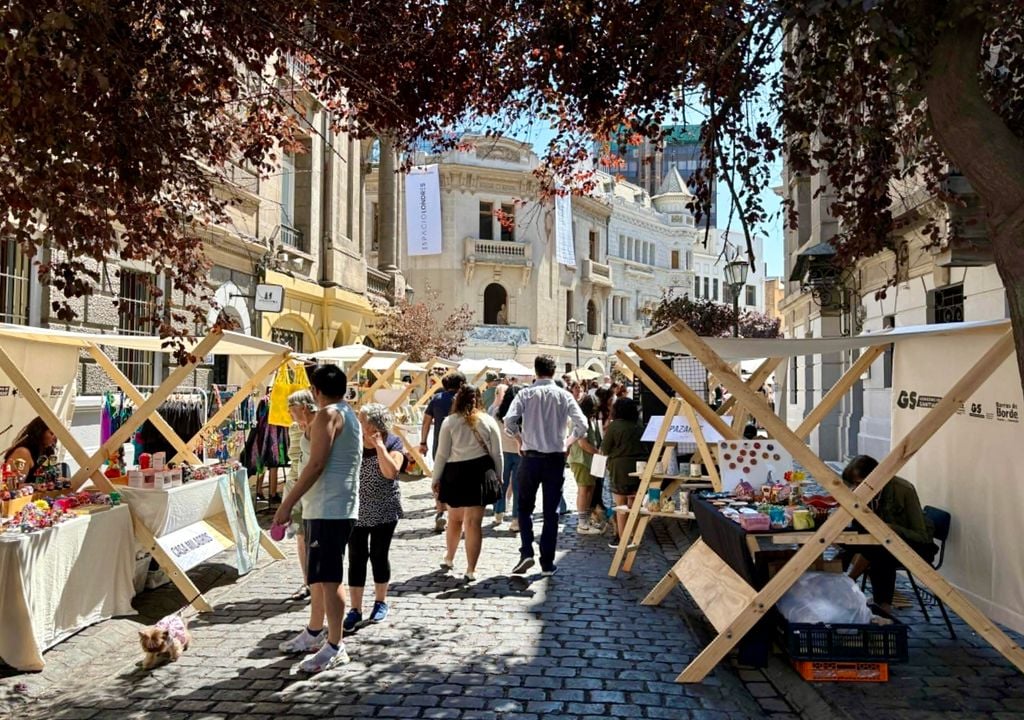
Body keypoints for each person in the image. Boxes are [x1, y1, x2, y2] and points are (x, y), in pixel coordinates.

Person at [274, 365, 361, 674]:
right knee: (319, 577)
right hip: (328, 506)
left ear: (315, 391)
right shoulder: (347, 412)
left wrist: (288, 503)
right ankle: (314, 631)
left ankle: (335, 645)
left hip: (329, 507)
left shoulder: (328, 414)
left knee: (329, 578)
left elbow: (316, 464)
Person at [504, 354, 588, 576]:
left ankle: (526, 551)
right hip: (555, 459)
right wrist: (567, 442)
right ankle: (547, 563)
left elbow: (509, 421)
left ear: (536, 370)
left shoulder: (525, 394)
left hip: (530, 457)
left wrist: (520, 440)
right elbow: (582, 425)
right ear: (554, 371)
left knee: (525, 508)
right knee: (551, 511)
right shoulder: (564, 395)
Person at [841, 455, 937, 616]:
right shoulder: (862, 493)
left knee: (880, 553)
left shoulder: (902, 490)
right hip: (882, 543)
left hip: (915, 545)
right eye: (854, 484)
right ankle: (839, 584)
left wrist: (891, 528)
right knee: (848, 541)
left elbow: (922, 536)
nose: (856, 489)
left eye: (860, 484)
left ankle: (881, 604)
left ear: (874, 478)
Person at [345, 403, 407, 630]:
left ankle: (380, 602)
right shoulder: (352, 442)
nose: (357, 423)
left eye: (361, 420)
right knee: (356, 557)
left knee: (379, 555)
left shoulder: (392, 442)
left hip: (384, 508)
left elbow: (391, 472)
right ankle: (355, 609)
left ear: (373, 425)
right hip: (356, 509)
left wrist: (379, 446)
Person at [432, 386, 504, 581]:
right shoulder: (488, 420)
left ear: (457, 399)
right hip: (481, 473)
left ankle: (449, 557)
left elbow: (442, 454)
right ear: (479, 399)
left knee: (454, 520)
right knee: (473, 523)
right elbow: (497, 453)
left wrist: (435, 478)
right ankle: (471, 568)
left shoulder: (450, 422)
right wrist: (499, 475)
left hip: (455, 473)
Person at [420, 371, 466, 532]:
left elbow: (426, 422)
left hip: (440, 445)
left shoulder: (437, 399)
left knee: (439, 477)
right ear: (461, 384)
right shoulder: (464, 400)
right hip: (461, 446)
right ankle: (457, 515)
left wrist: (423, 442)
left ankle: (440, 512)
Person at [284, 390, 318, 603]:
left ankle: (321, 581)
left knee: (318, 537)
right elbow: (294, 458)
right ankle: (308, 582)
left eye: (291, 410)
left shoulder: (322, 427)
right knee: (301, 536)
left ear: (303, 407)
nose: (289, 414)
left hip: (315, 489)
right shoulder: (293, 429)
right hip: (295, 486)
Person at [601, 397, 647, 546]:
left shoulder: (615, 426)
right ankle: (633, 535)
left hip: (619, 468)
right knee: (634, 504)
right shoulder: (639, 425)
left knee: (621, 505)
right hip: (639, 467)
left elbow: (605, 448)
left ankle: (622, 539)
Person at [568, 395, 602, 535]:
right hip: (581, 460)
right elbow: (582, 443)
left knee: (590, 488)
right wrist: (598, 452)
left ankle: (586, 519)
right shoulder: (579, 420)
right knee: (583, 489)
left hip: (589, 460)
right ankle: (582, 523)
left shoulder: (589, 419)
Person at [494, 383, 525, 530]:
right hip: (520, 452)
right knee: (518, 486)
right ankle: (516, 519)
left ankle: (499, 511)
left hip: (502, 451)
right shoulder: (524, 412)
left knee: (502, 482)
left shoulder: (497, 412)